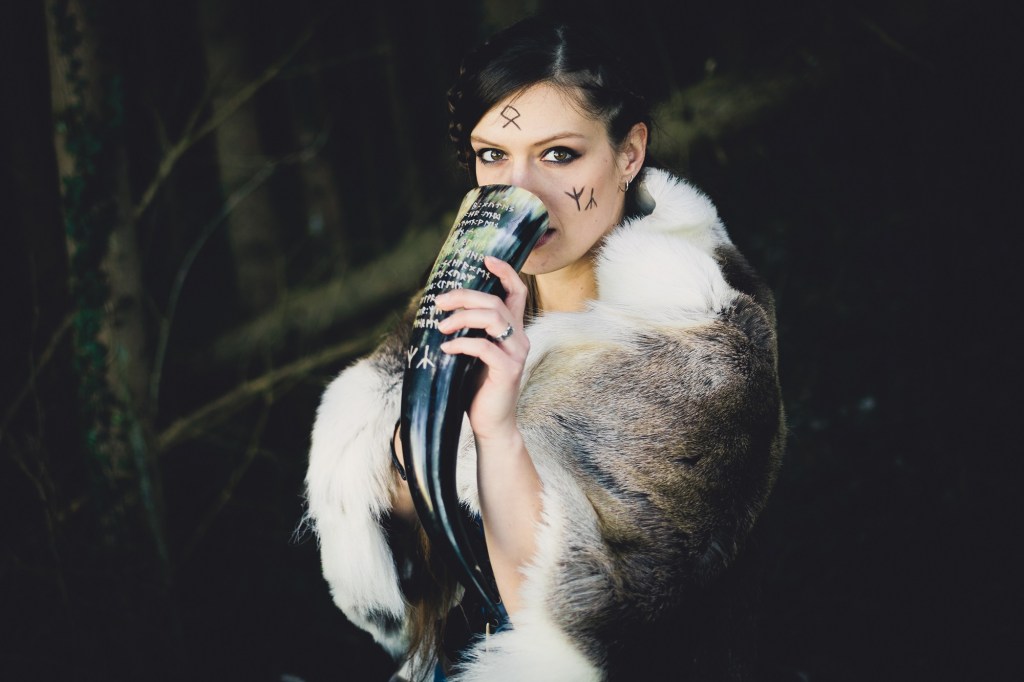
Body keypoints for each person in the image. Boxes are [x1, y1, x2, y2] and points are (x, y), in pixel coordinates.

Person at [304, 15, 785, 682]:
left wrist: (497, 431)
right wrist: (419, 435)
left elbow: (570, 627)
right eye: (493, 156)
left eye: (559, 155)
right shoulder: (469, 296)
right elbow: (401, 551)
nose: (521, 189)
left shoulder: (701, 351)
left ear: (629, 154)